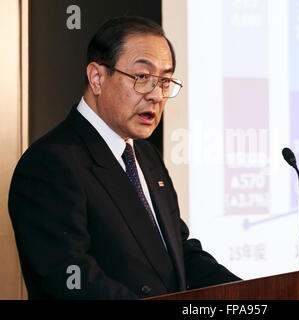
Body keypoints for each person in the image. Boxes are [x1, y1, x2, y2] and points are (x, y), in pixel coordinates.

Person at [8, 16, 240, 299]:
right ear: (97, 78)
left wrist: (251, 293)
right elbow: (71, 280)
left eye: (164, 80)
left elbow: (178, 253)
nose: (156, 95)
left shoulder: (146, 155)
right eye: (142, 78)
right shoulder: (49, 164)